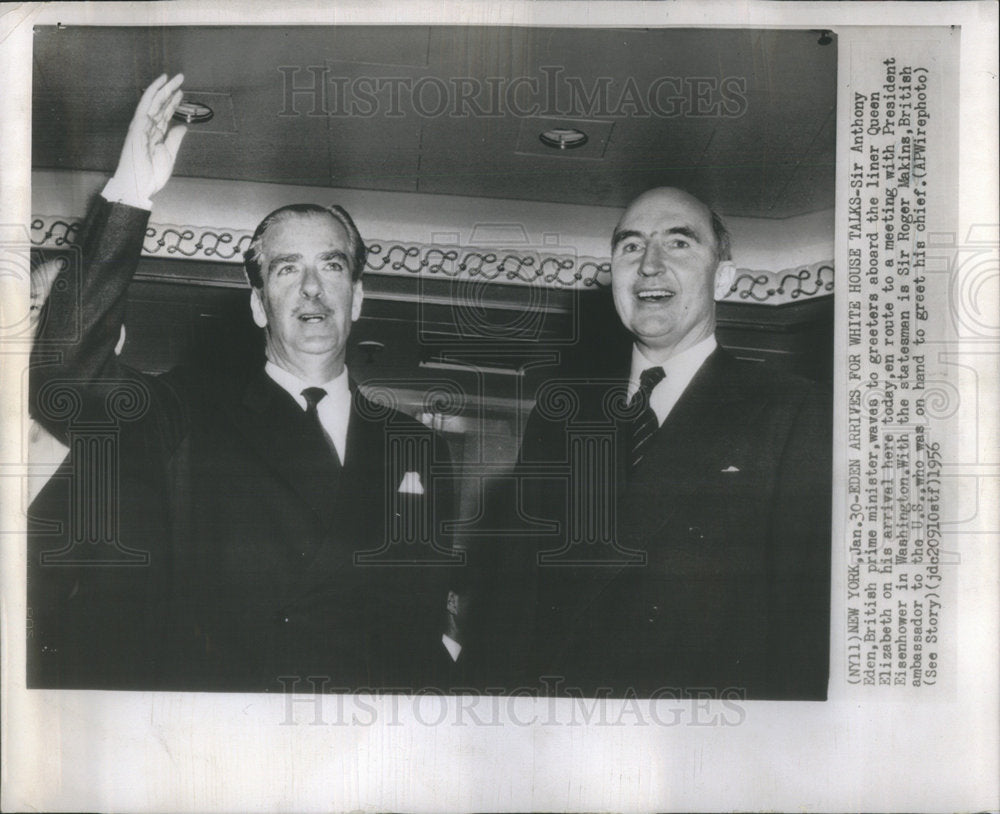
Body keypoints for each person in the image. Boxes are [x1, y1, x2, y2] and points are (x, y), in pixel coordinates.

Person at [30, 74, 462, 692]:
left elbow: (417, 627)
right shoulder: (190, 409)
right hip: (233, 729)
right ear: (259, 305)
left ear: (358, 297)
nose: (311, 289)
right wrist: (129, 192)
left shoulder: (417, 447)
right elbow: (67, 379)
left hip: (361, 736)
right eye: (287, 270)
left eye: (331, 266)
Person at [508, 187, 832, 700]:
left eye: (679, 243)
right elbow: (516, 607)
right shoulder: (557, 419)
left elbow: (805, 631)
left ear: (722, 277)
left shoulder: (793, 412)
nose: (649, 265)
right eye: (631, 246)